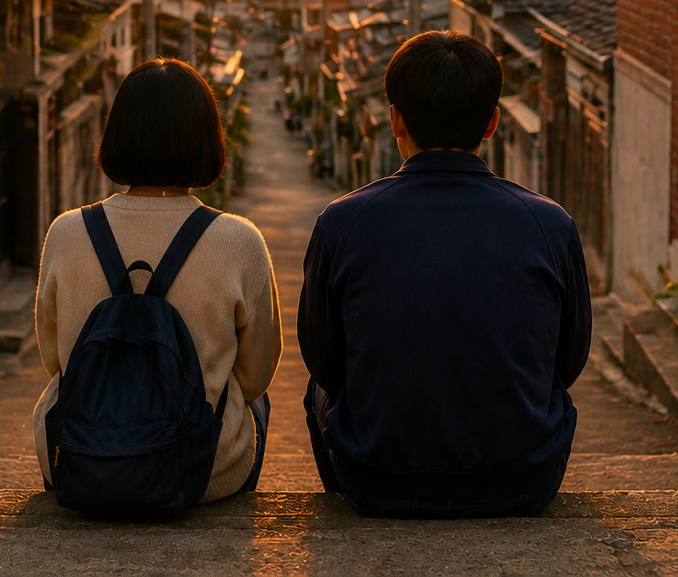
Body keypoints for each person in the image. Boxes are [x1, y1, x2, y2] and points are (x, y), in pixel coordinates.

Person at [297, 30, 592, 518]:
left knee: (318, 388)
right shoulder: (550, 223)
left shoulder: (342, 221)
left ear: (395, 119)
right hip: (524, 481)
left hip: (377, 484)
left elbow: (325, 360)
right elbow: (568, 360)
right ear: (493, 122)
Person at [34, 59, 282, 504]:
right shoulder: (239, 240)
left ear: (116, 136)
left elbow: (55, 359)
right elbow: (255, 375)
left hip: (77, 457)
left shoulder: (66, 232)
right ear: (208, 140)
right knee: (253, 402)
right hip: (198, 471)